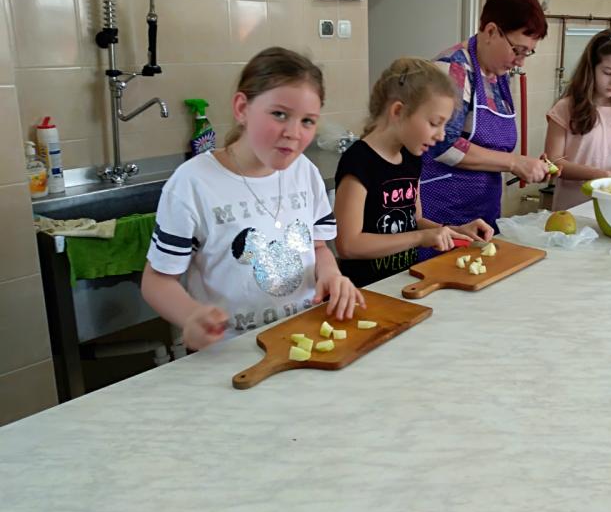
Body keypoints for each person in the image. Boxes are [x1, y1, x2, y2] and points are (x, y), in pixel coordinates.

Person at [141, 47, 364, 351]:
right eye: (279, 114)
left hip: (302, 339)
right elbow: (157, 281)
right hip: (230, 352)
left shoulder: (305, 172)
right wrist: (191, 315)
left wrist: (331, 274)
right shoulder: (193, 183)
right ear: (242, 108)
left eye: (307, 121)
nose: (293, 133)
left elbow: (318, 247)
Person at [333, 58, 493, 287]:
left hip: (402, 282)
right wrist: (420, 238)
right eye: (434, 123)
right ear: (398, 111)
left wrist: (452, 231)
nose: (441, 135)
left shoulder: (411, 157)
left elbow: (414, 220)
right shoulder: (359, 162)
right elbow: (348, 245)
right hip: (366, 290)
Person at [420, 0, 551, 237]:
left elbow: (492, 147)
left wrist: (530, 165)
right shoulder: (452, 70)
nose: (521, 61)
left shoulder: (498, 74)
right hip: (443, 211)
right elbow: (443, 145)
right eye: (517, 50)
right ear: (491, 31)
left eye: (528, 52)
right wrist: (514, 162)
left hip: (483, 208)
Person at [544, 28, 611, 211]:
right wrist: (600, 175)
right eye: (608, 72)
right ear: (591, 69)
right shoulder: (565, 108)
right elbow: (554, 161)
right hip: (573, 207)